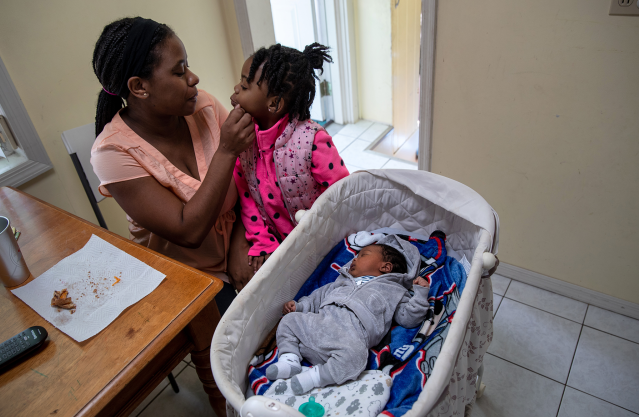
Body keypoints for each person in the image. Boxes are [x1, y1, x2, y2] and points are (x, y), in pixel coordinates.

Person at [90, 17, 255, 310]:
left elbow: (249, 180)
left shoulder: (202, 106)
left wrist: (240, 242)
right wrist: (227, 151)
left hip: (243, 239)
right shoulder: (112, 153)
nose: (193, 78)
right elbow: (187, 231)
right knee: (245, 340)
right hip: (185, 276)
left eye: (187, 66)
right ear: (139, 87)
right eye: (179, 72)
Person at [231, 43, 350, 272]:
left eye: (245, 86)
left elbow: (342, 194)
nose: (236, 88)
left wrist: (319, 237)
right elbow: (246, 196)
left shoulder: (312, 141)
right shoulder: (243, 140)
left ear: (274, 103)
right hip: (281, 250)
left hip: (321, 245)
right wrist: (262, 240)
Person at [266, 235, 430, 395]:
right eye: (356, 255)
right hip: (320, 324)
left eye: (362, 255)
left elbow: (408, 318)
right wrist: (300, 307)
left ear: (385, 267)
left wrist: (420, 295)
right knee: (289, 321)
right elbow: (317, 298)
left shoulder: (394, 291)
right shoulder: (341, 281)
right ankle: (290, 359)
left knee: (357, 358)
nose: (354, 259)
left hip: (350, 337)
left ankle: (315, 377)